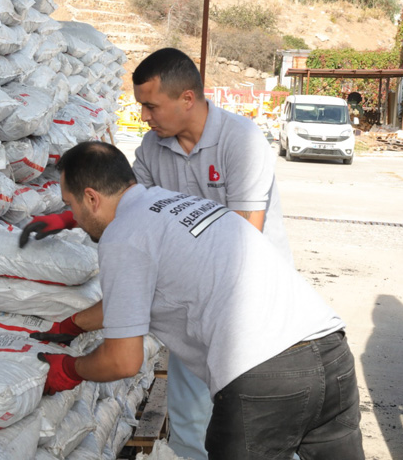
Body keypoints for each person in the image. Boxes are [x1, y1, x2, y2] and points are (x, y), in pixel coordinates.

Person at [21, 47, 292, 459]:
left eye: (150, 106)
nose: (144, 117)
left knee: (256, 429)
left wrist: (88, 322)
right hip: (190, 307)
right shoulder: (152, 149)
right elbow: (125, 209)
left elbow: (244, 241)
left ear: (187, 99)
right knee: (190, 424)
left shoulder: (241, 140)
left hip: (247, 306)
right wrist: (70, 219)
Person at [30, 141, 364, 460]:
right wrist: (74, 324)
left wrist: (71, 369)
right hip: (332, 355)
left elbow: (123, 361)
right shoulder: (174, 205)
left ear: (91, 197)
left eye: (70, 205)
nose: (72, 215)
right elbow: (130, 298)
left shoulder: (124, 235)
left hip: (265, 378)